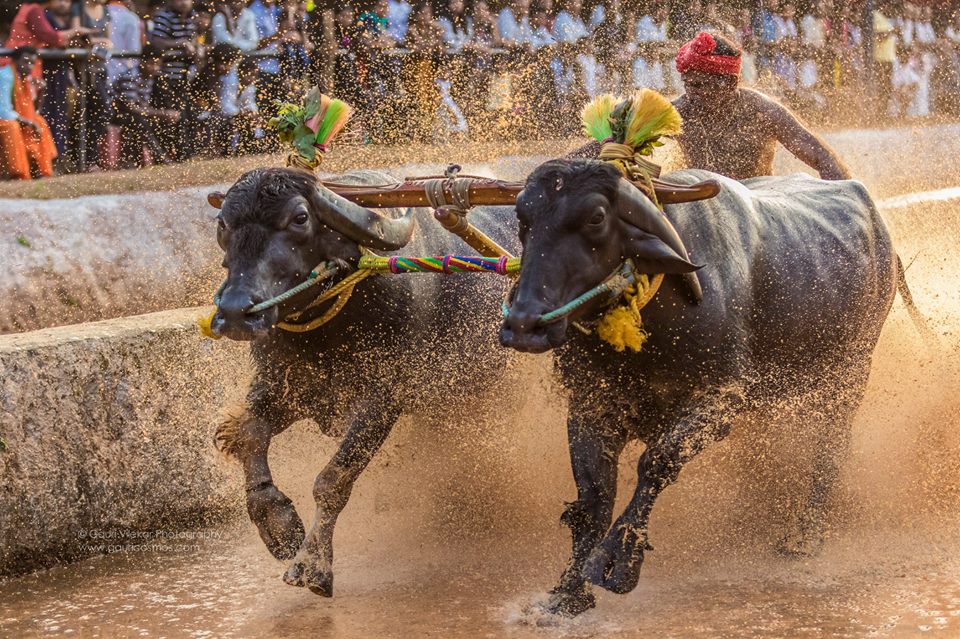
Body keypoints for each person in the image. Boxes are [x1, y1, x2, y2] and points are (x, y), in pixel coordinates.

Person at [671, 31, 850, 181]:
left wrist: (845, 209)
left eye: (700, 85)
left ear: (731, 84)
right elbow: (640, 149)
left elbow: (824, 159)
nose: (691, 93)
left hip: (759, 207)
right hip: (704, 208)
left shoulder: (762, 111)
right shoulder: (676, 114)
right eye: (687, 84)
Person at [112, 43, 180, 167]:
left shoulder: (149, 77)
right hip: (118, 113)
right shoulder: (131, 76)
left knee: (159, 121)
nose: (154, 68)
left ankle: (171, 155)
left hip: (136, 114)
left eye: (157, 64)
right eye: (151, 63)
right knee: (139, 121)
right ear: (142, 61)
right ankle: (160, 157)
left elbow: (143, 106)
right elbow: (130, 107)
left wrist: (162, 115)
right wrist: (162, 113)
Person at [0, 47, 58, 179]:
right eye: (25, 62)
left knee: (40, 121)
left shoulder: (26, 79)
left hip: (12, 117)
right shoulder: (5, 76)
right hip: (4, 119)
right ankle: (19, 173)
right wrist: (28, 122)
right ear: (15, 61)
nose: (28, 66)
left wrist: (41, 91)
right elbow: (3, 111)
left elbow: (33, 111)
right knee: (12, 126)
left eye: (32, 63)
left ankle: (43, 170)